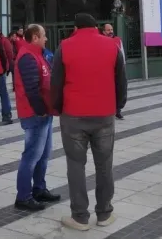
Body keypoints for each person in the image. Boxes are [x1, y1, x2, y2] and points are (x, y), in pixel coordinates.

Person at [51, 13, 127, 231]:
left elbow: (56, 82)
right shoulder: (112, 46)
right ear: (96, 27)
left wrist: (57, 108)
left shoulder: (65, 46)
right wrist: (117, 106)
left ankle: (80, 217)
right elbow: (121, 80)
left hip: (73, 115)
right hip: (104, 115)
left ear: (75, 27)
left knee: (75, 165)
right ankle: (104, 213)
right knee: (104, 165)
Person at [14, 24, 61, 211]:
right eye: (43, 36)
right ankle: (23, 197)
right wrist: (41, 110)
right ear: (34, 37)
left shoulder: (38, 54)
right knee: (32, 155)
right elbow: (31, 89)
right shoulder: (27, 56)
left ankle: (39, 189)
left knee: (43, 154)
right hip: (35, 114)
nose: (46, 39)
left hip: (44, 113)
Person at [102, 23, 125, 120]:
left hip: (118, 70)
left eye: (111, 29)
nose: (110, 31)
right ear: (103, 31)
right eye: (108, 30)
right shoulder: (101, 41)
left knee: (120, 89)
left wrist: (123, 67)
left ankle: (118, 110)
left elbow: (122, 54)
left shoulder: (118, 40)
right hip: (106, 71)